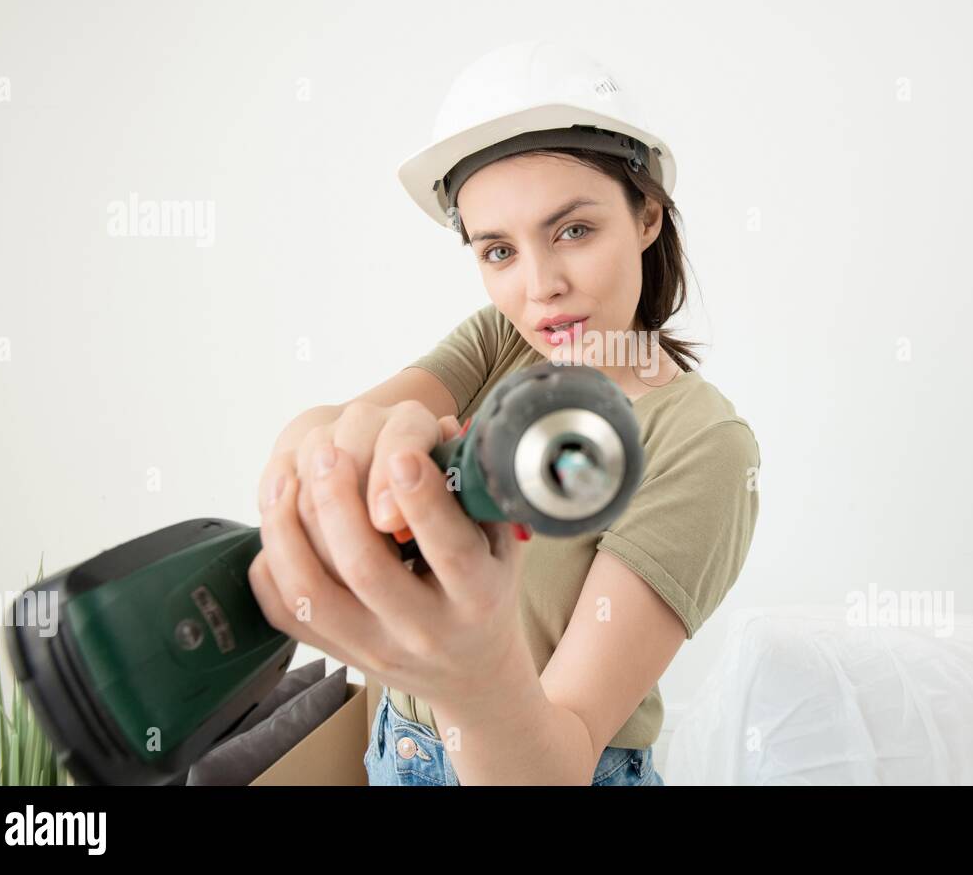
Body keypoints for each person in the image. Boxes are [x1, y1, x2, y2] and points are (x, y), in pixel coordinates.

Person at [248, 40, 761, 786]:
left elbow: (557, 759)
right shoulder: (502, 345)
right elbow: (324, 431)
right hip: (395, 751)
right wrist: (321, 455)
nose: (540, 287)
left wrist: (469, 673)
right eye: (498, 251)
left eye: (573, 231)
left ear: (647, 215)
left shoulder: (700, 443)